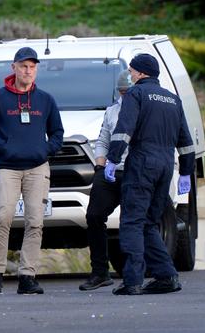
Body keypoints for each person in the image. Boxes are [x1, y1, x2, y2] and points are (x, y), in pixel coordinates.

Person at [105, 53, 195, 295]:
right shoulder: (173, 99)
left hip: (142, 163)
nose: (130, 75)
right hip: (165, 166)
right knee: (148, 223)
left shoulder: (136, 94)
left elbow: (124, 130)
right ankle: (167, 277)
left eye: (132, 71)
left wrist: (112, 159)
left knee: (132, 222)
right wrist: (186, 172)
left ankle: (132, 281)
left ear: (142, 73)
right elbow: (186, 142)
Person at [0, 46, 64, 294]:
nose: (28, 71)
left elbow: (57, 132)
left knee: (35, 222)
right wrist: (5, 149)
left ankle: (27, 276)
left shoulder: (45, 100)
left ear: (36, 70)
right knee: (2, 217)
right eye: (24, 66)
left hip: (38, 168)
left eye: (32, 67)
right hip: (7, 168)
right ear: (13, 67)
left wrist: (46, 150)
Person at [79, 70, 131, 291]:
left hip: (133, 170)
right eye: (122, 92)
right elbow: (103, 139)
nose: (125, 96)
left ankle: (133, 272)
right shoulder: (112, 111)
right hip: (110, 170)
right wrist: (100, 164)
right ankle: (100, 272)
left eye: (129, 92)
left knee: (131, 221)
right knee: (94, 215)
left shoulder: (146, 110)